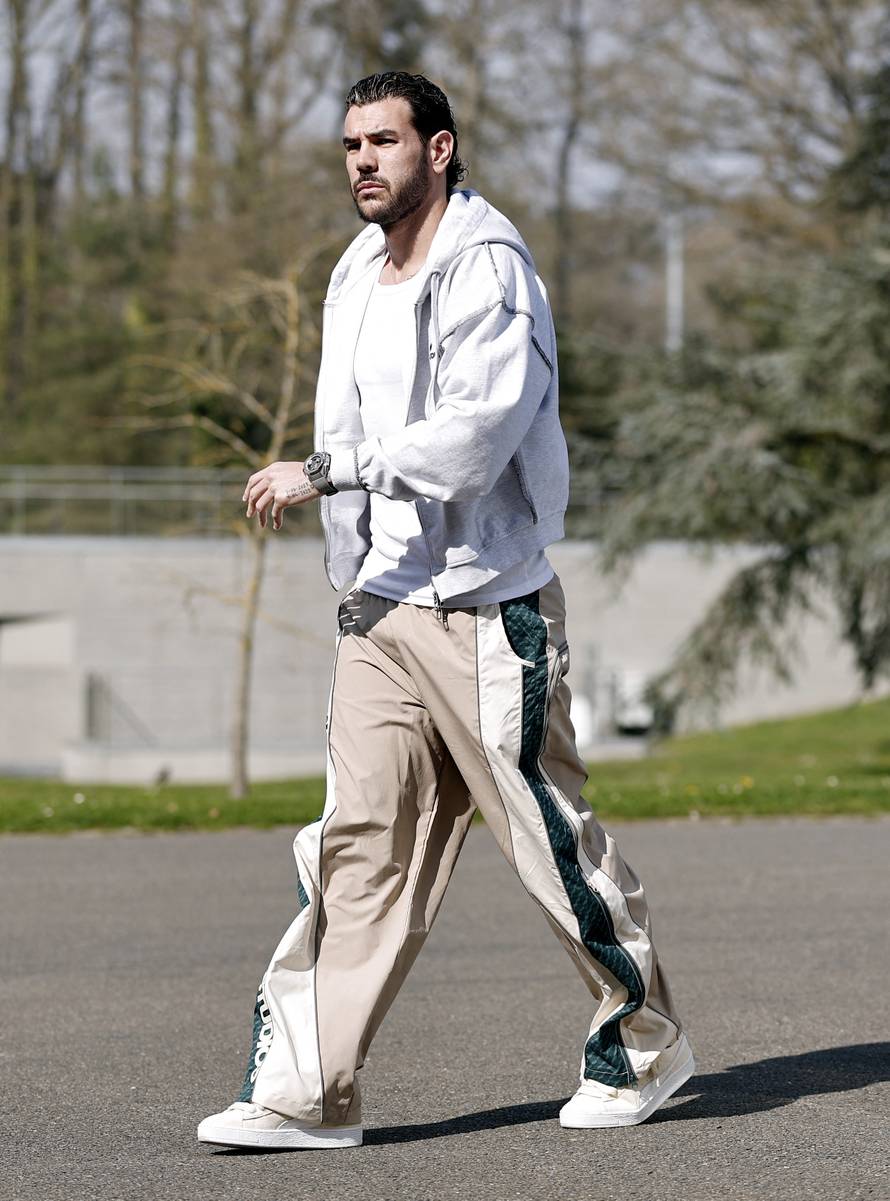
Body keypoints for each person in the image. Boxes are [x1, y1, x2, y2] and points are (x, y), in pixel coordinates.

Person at [197, 71, 693, 1152]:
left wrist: (327, 474)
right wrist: (351, 558)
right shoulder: (352, 269)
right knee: (354, 846)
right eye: (347, 145)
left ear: (439, 148)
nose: (361, 161)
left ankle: (644, 1043)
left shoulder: (489, 267)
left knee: (545, 842)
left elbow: (472, 443)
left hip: (484, 609)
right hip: (380, 609)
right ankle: (307, 1089)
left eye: (382, 141)